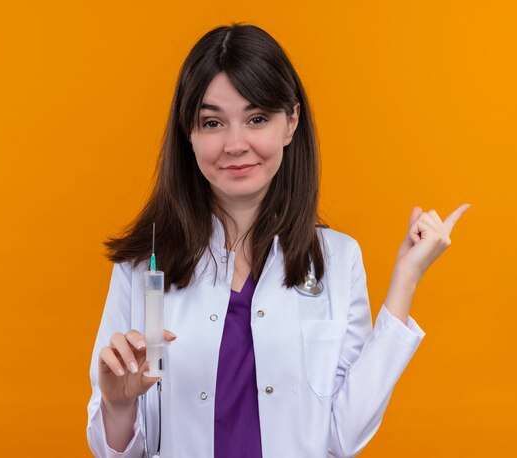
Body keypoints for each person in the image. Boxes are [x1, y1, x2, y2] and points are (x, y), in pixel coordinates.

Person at [86, 23, 469, 458]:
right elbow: (115, 451)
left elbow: (343, 437)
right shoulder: (143, 268)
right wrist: (119, 403)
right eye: (212, 122)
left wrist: (406, 280)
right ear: (187, 133)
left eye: (256, 119)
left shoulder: (338, 260)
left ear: (291, 122)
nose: (235, 144)